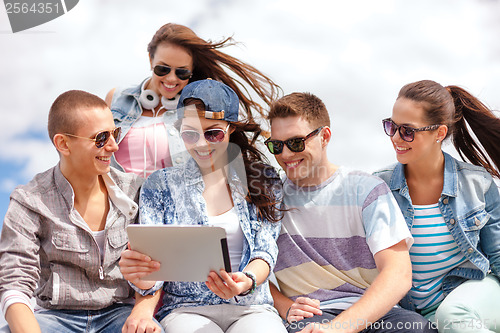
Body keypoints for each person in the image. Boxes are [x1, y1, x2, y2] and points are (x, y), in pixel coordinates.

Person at [118, 79, 287, 333]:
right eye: (190, 134)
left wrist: (246, 281)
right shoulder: (159, 185)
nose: (201, 143)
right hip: (186, 309)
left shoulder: (264, 179)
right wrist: (140, 275)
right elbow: (152, 271)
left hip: (252, 307)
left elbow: (265, 250)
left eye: (213, 133)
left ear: (230, 129)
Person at [265, 92, 436, 333]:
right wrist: (283, 305)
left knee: (417, 329)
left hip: (376, 314)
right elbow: (248, 268)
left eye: (296, 143)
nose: (285, 155)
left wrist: (338, 329)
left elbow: (398, 274)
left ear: (324, 136)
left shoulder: (367, 189)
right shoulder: (269, 201)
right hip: (311, 316)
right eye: (276, 146)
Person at [0, 90, 147, 333]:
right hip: (54, 318)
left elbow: (154, 271)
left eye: (115, 133)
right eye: (101, 138)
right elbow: (15, 282)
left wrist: (142, 313)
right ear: (63, 144)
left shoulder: (135, 192)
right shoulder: (29, 201)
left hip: (119, 314)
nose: (113, 146)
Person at [374, 80, 500, 333]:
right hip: (413, 310)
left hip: (473, 295)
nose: (396, 138)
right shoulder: (379, 186)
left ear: (439, 133)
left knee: (453, 316)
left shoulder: (478, 183)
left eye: (408, 131)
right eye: (392, 126)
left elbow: (497, 255)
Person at [105, 23, 281, 178]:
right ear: (150, 60)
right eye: (163, 69)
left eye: (182, 72)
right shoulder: (117, 97)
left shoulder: (196, 108)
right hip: (118, 208)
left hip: (166, 209)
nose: (172, 79)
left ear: (192, 71)